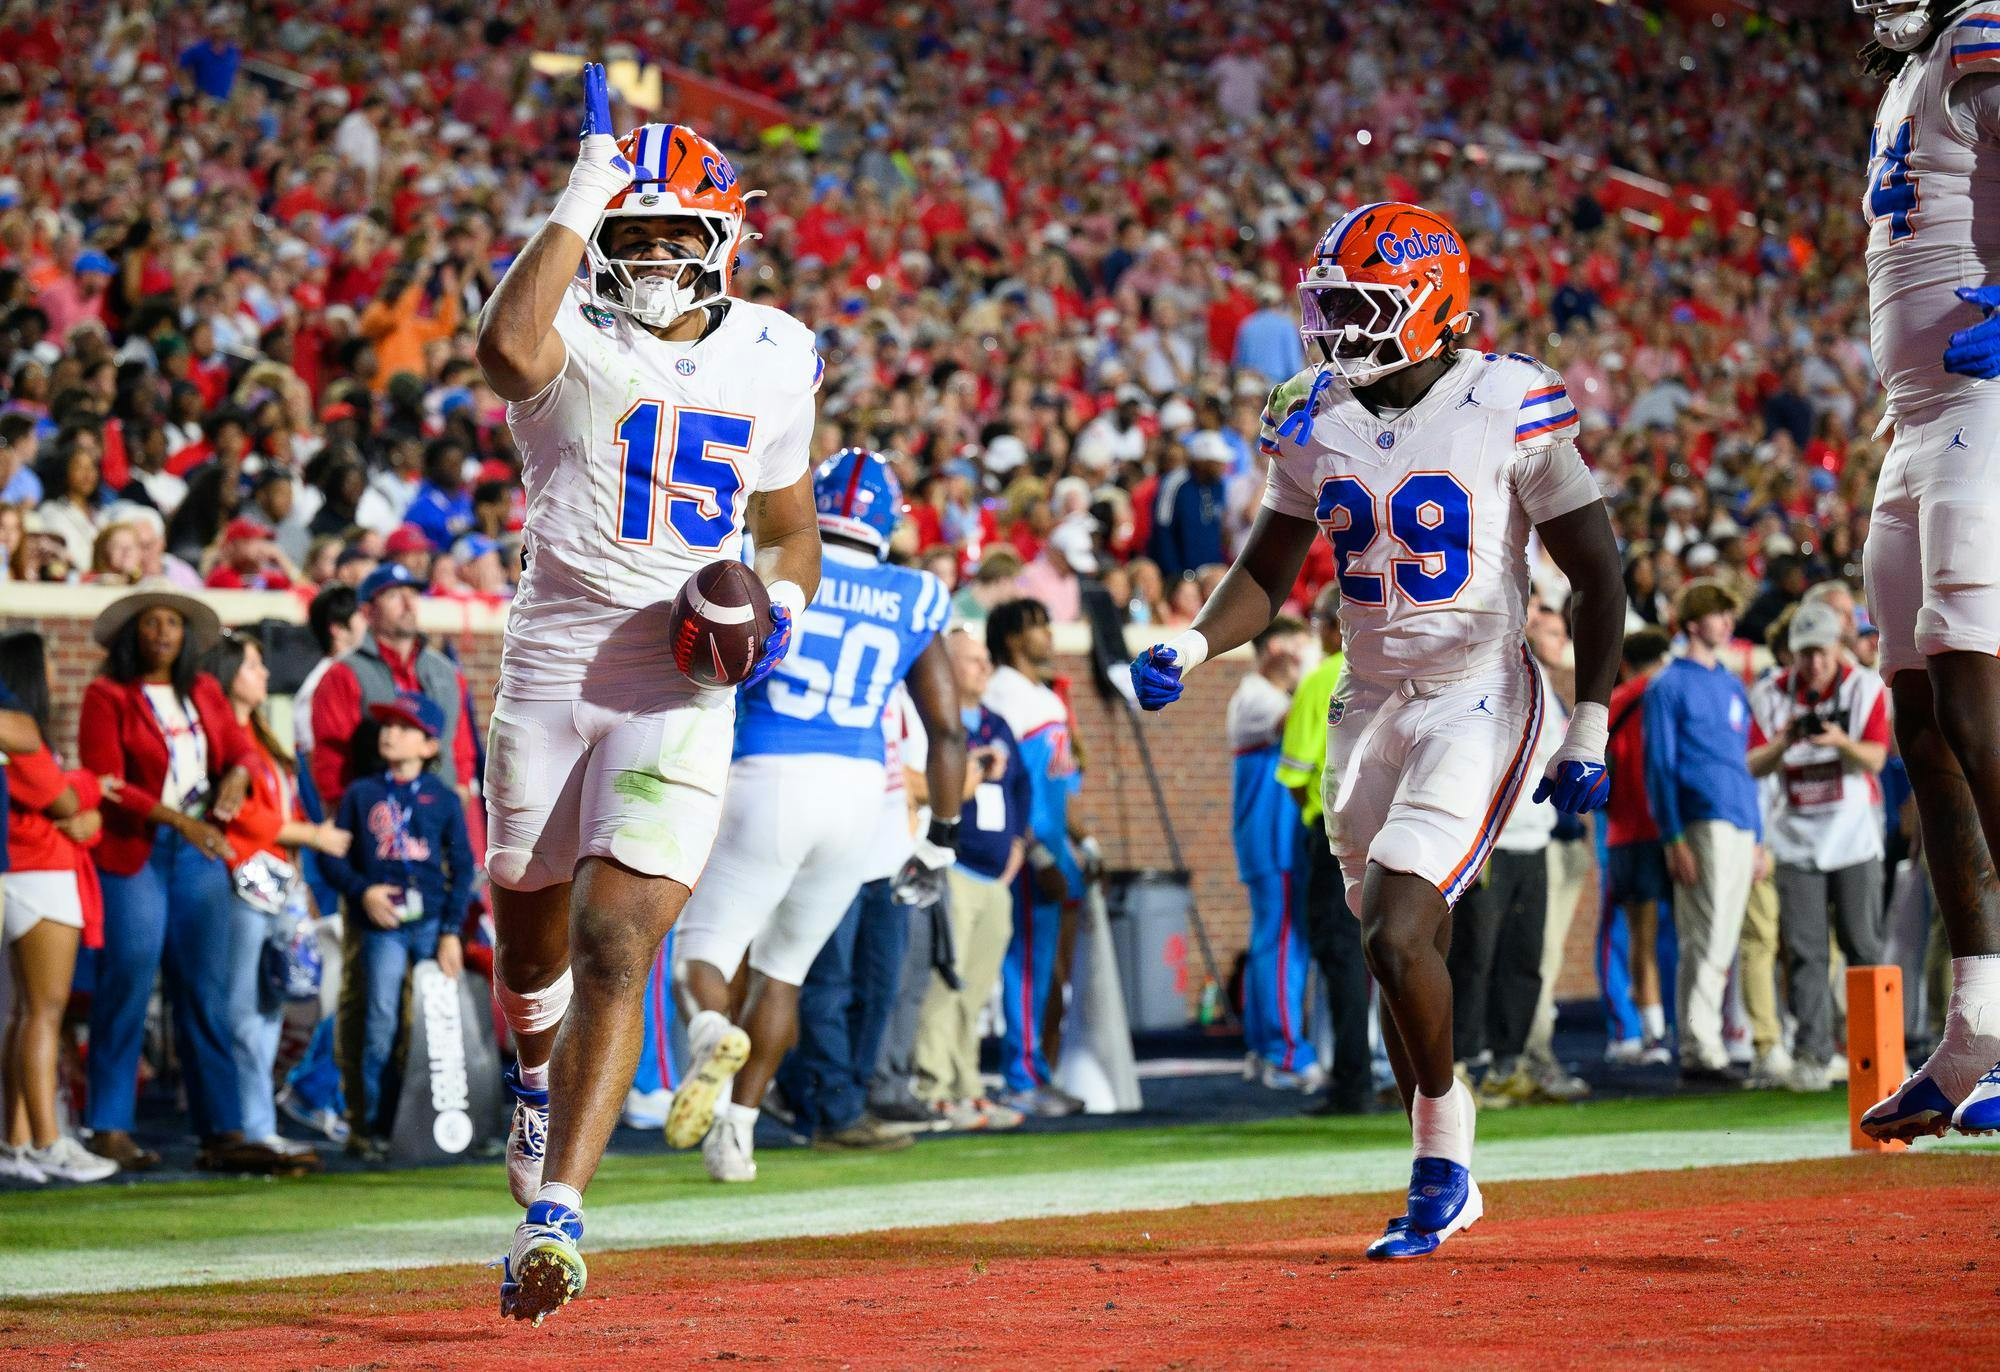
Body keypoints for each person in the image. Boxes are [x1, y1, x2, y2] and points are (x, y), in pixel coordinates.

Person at [1128, 203, 1623, 1261]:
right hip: (1367, 695)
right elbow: (1268, 570)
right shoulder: (1309, 411)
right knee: (1389, 946)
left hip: (1478, 685)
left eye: (1362, 306)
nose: (1338, 329)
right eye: (1331, 305)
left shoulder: (1505, 396)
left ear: (1431, 308)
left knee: (1397, 926)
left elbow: (1597, 572)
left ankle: (1443, 1161)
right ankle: (1440, 1163)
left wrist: (1587, 721)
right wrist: (1191, 641)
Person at [472, 67, 823, 1321]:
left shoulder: (779, 351)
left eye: (682, 232)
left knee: (619, 939)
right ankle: (528, 1068)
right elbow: (505, 346)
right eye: (635, 231)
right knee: (529, 942)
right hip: (555, 661)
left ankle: (558, 1213)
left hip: (677, 677)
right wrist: (582, 187)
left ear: (728, 237)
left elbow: (790, 529)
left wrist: (769, 607)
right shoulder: (569, 335)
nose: (660, 254)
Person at [673, 448, 962, 1179]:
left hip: (768, 772)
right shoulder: (915, 591)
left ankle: (710, 1031)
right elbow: (948, 728)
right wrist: (943, 838)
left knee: (702, 954)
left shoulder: (759, 560)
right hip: (861, 796)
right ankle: (734, 1136)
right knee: (785, 973)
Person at [1855, 0, 2000, 1138]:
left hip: (1977, 404)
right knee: (1920, 725)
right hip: (1912, 419)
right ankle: (1970, 1035)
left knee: (1971, 698)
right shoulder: (1907, 73)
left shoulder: (1980, 30)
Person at [76, 580, 266, 1173]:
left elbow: (243, 751)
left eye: (173, 624)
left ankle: (221, 1129)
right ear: (134, 633)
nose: (162, 633)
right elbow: (107, 782)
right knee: (128, 981)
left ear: (186, 636)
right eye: (151, 623)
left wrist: (235, 778)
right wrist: (183, 823)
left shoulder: (205, 689)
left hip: (196, 855)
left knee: (204, 992)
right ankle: (108, 1125)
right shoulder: (107, 695)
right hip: (137, 851)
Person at [203, 631, 351, 1170]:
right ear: (228, 676)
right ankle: (250, 1125)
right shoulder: (221, 741)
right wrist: (310, 836)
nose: (264, 675)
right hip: (242, 881)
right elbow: (236, 815)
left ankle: (260, 1121)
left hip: (279, 884)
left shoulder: (259, 736)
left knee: (275, 1007)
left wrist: (301, 874)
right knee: (245, 1012)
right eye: (253, 666)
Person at [315, 692, 472, 1155]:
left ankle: (424, 1125)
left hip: (429, 925)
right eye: (386, 725)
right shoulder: (361, 794)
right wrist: (362, 890)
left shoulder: (442, 799)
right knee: (380, 1020)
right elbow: (332, 861)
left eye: (404, 727)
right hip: (382, 924)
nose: (389, 733)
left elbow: (462, 868)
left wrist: (450, 931)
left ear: (428, 746)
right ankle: (369, 1125)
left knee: (430, 1024)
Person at [1746, 602, 1892, 1093]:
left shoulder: (1864, 687)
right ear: (1792, 655)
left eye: (1822, 653)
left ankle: (1878, 1051)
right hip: (1795, 839)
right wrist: (1786, 742)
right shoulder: (1769, 694)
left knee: (1862, 944)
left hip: (1853, 836)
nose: (1814, 664)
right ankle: (1812, 1053)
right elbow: (1754, 763)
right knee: (1805, 952)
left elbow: (1874, 757)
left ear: (1838, 649)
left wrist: (1838, 742)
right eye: (1804, 655)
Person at [0, 632, 117, 1184]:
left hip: (28, 869)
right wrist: (92, 789)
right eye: (47, 662)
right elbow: (64, 799)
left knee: (23, 1014)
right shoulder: (21, 727)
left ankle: (16, 1139)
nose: (53, 673)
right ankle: (47, 1141)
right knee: (42, 1012)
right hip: (40, 872)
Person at [1643, 579, 1764, 1086]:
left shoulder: (1732, 684)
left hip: (1737, 817)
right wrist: (1672, 837)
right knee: (1706, 937)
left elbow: (1742, 763)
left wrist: (1757, 834)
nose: (1727, 623)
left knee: (1723, 936)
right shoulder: (1668, 685)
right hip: (1700, 819)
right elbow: (1660, 767)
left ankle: (1704, 1041)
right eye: (1718, 614)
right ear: (1694, 621)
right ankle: (1699, 1046)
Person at [911, 628, 1030, 1130]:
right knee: (945, 986)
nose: (985, 668)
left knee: (977, 990)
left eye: (986, 659)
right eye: (973, 660)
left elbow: (1022, 792)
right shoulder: (935, 722)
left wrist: (1018, 846)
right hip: (954, 870)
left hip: (993, 878)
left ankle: (967, 1085)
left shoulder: (998, 724)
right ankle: (931, 1086)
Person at [985, 598, 1092, 1119]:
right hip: (1030, 852)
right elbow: (1011, 787)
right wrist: (1037, 852)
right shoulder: (1003, 694)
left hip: (1054, 845)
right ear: (1010, 637)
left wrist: (1082, 842)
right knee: (1026, 965)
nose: (1048, 633)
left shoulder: (1040, 696)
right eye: (1036, 625)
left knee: (1048, 968)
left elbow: (1055, 785)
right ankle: (1020, 1077)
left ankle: (1037, 1069)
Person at [1275, 582, 1375, 1114]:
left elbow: (1295, 774)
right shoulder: (1400, 673)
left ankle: (1352, 1081)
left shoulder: (1320, 681)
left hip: (1337, 837)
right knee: (1402, 957)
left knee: (1341, 959)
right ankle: (1420, 1086)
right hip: (1402, 831)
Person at [1227, 615, 1319, 1091]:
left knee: (1275, 940)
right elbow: (1300, 716)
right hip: (1272, 835)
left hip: (1271, 836)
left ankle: (1266, 1047)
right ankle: (1284, 1052)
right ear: (1275, 648)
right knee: (1283, 942)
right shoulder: (1256, 697)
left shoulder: (1263, 695)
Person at [1600, 627, 1674, 1065]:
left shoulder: (1613, 703)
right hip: (1670, 828)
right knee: (1688, 938)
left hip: (1626, 833)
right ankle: (1687, 1030)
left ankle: (1649, 1035)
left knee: (1639, 940)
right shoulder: (1670, 691)